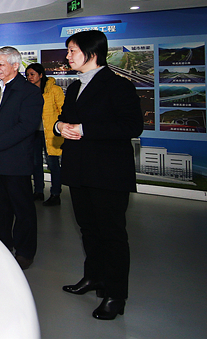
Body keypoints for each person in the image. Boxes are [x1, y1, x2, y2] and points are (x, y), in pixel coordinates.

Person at [55, 30, 143, 320]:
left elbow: (132, 126)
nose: (67, 56)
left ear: (92, 53)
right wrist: (59, 127)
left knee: (112, 235)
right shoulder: (74, 87)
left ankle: (116, 295)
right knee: (88, 229)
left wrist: (84, 130)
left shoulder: (118, 86)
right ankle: (94, 277)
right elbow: (64, 119)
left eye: (72, 51)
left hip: (108, 174)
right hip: (79, 171)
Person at [0, 46, 43, 270]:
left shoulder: (29, 92)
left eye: (1, 64)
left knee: (22, 208)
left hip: (15, 159)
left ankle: (25, 251)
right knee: (0, 207)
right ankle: (2, 245)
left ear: (15, 65)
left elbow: (27, 126)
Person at [25, 63, 65, 206]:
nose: (30, 77)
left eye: (32, 74)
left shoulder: (54, 90)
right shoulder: (27, 92)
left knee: (53, 163)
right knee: (36, 163)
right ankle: (38, 191)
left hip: (51, 133)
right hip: (34, 132)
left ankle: (55, 193)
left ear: (41, 75)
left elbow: (62, 109)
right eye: (27, 75)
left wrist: (59, 127)